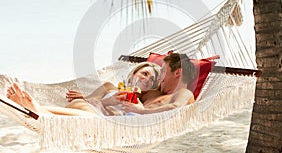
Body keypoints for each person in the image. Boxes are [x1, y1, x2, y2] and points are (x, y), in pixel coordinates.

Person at [6, 62, 161, 116]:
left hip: (96, 121)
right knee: (88, 113)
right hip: (85, 108)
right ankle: (38, 110)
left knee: (91, 118)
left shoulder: (140, 106)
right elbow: (90, 101)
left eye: (152, 79)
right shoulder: (109, 86)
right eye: (145, 73)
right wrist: (108, 100)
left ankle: (38, 110)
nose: (146, 79)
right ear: (134, 73)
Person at [122, 52, 196, 114]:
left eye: (163, 71)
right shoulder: (153, 94)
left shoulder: (185, 93)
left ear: (177, 72)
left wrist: (141, 111)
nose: (159, 78)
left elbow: (177, 108)